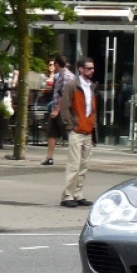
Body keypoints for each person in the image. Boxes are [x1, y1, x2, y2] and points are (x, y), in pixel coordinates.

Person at [58, 57, 96, 208]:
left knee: (84, 164)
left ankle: (78, 194)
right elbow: (65, 107)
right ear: (80, 69)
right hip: (77, 129)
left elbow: (92, 109)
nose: (91, 71)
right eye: (88, 68)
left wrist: (93, 128)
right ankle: (68, 195)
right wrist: (69, 126)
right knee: (74, 164)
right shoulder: (73, 85)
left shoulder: (91, 86)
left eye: (92, 68)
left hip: (87, 129)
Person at [43, 55, 71, 167]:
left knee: (68, 133)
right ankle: (49, 157)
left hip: (62, 110)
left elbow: (65, 95)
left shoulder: (66, 76)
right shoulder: (60, 75)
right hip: (56, 108)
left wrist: (57, 109)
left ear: (57, 64)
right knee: (51, 132)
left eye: (54, 64)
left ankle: (73, 158)